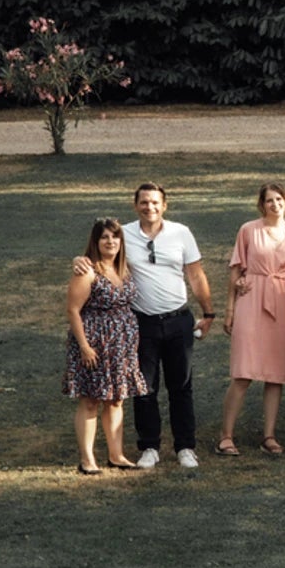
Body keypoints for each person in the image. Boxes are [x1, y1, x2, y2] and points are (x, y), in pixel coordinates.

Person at [120, 182, 213, 469]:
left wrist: (208, 313)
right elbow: (101, 261)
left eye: (155, 202)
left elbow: (195, 275)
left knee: (181, 386)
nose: (150, 207)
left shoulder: (181, 233)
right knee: (144, 387)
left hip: (178, 320)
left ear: (165, 205)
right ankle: (149, 446)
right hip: (141, 322)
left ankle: (185, 446)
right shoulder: (123, 234)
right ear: (136, 205)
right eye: (144, 202)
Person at [219, 181, 285, 455]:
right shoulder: (248, 230)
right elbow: (236, 271)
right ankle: (225, 436)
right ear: (262, 204)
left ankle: (269, 435)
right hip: (251, 299)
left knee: (275, 374)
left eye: (279, 199)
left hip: (281, 301)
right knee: (244, 372)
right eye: (269, 200)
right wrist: (230, 309)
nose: (275, 205)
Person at [65, 219, 148, 473]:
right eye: (104, 238)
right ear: (96, 241)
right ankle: (87, 459)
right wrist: (84, 346)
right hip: (94, 343)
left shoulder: (124, 269)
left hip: (122, 344)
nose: (110, 241)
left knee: (116, 400)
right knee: (91, 400)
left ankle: (116, 455)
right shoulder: (88, 270)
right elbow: (73, 310)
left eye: (115, 237)